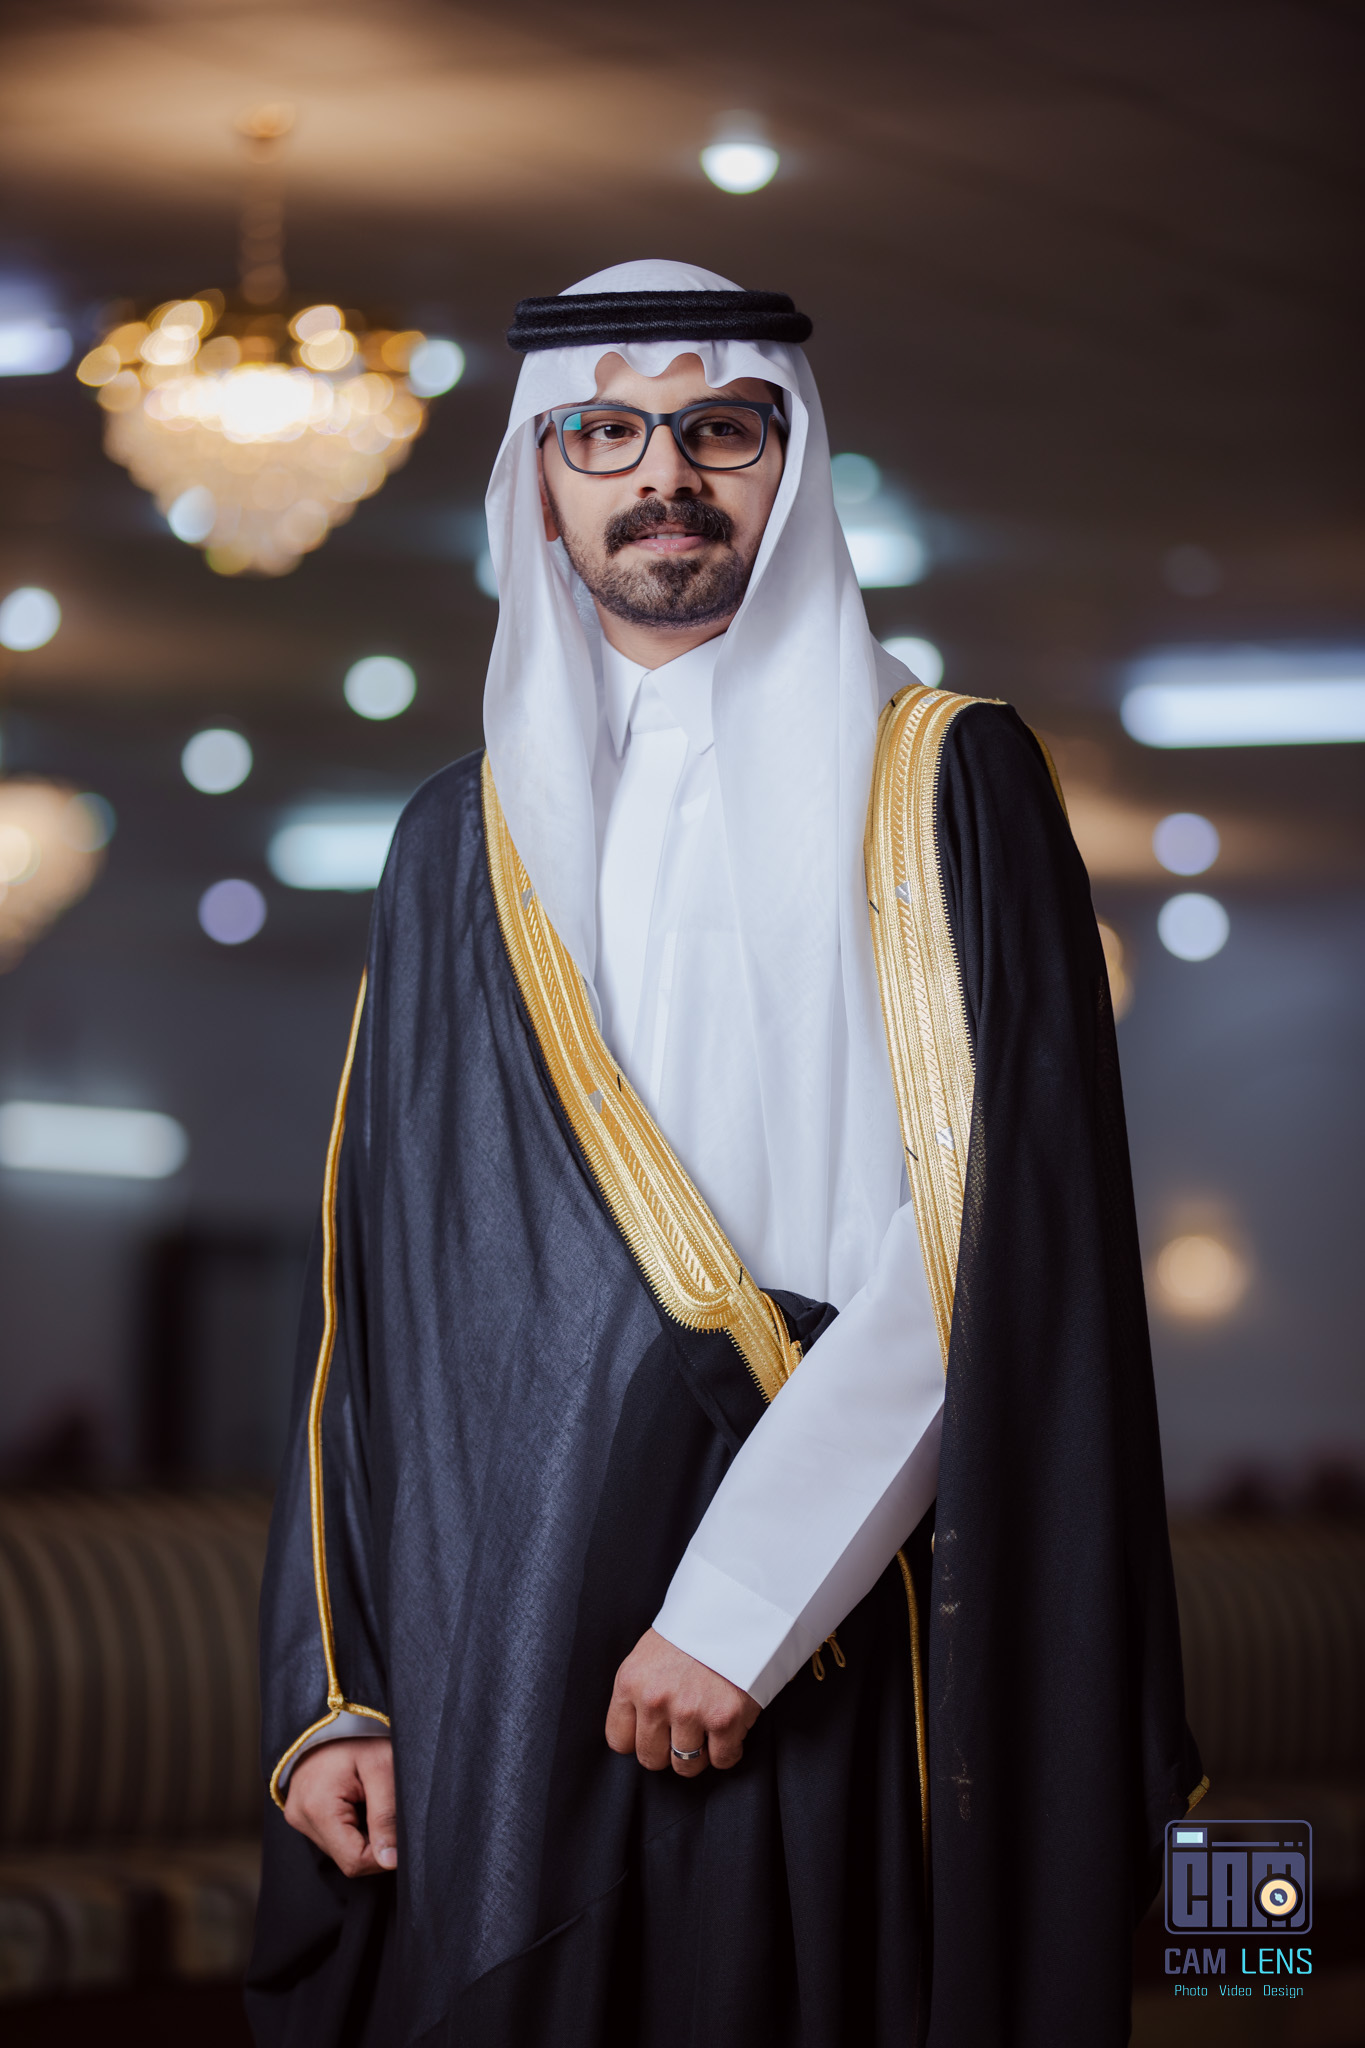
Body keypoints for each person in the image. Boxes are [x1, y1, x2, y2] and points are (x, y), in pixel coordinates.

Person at [246, 260, 1203, 2048]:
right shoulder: (450, 837)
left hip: (820, 1598)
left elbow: (990, 1238)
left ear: (792, 461)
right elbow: (367, 1294)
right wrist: (339, 1687)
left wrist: (744, 1603)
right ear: (540, 479)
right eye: (602, 434)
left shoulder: (947, 780)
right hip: (497, 1612)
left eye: (719, 431)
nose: (661, 476)